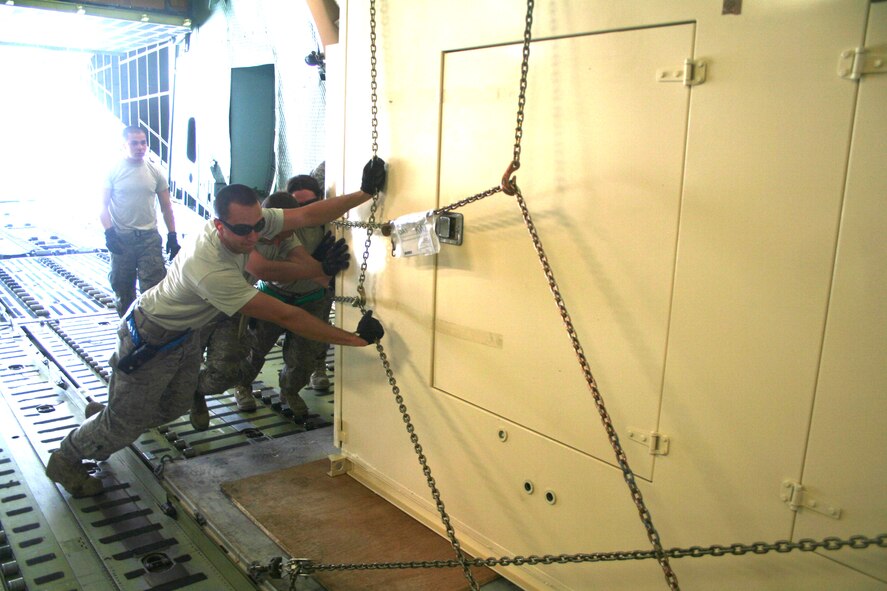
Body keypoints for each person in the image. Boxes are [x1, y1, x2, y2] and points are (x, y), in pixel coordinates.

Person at [45, 157, 387, 498]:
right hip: (150, 337)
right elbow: (287, 317)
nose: (253, 236)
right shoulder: (210, 268)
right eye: (242, 230)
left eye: (258, 226)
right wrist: (354, 339)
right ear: (219, 225)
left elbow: (307, 215)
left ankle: (107, 419)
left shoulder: (246, 223)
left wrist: (365, 192)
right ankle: (67, 458)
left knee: (176, 406)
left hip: (184, 334)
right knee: (125, 425)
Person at [192, 186, 346, 421]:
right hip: (215, 306)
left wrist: (330, 280)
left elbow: (310, 268)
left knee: (299, 359)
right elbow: (264, 269)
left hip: (256, 305)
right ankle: (219, 390)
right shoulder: (250, 236)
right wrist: (320, 267)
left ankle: (288, 391)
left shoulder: (295, 233)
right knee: (249, 353)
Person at [101, 125, 181, 317]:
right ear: (124, 145)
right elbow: (103, 206)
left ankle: (151, 331)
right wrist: (109, 232)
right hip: (122, 238)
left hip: (148, 239)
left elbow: (166, 207)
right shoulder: (113, 172)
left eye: (143, 142)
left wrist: (172, 235)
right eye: (134, 143)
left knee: (154, 289)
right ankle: (127, 331)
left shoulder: (154, 172)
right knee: (122, 288)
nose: (140, 147)